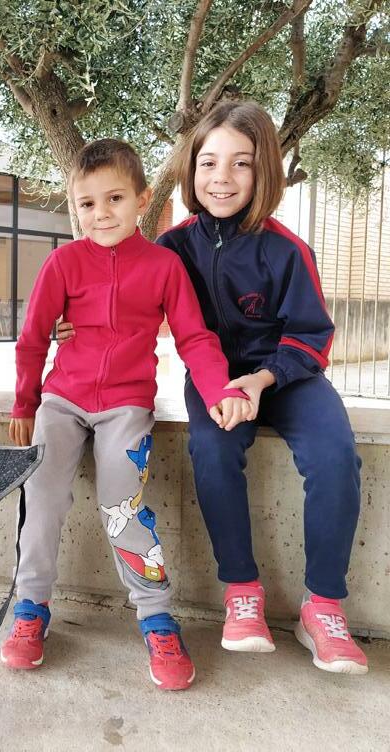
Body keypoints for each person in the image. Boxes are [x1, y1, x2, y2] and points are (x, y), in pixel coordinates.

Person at [61, 101, 368, 675]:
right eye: (208, 162)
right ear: (191, 169)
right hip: (216, 380)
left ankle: (323, 606)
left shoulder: (287, 249)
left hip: (288, 378)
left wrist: (264, 378)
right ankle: (242, 591)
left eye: (240, 163)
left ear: (263, 171)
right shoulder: (174, 246)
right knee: (212, 448)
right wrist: (75, 322)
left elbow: (313, 336)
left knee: (335, 457)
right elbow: (127, 295)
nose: (221, 177)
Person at [2, 138, 251, 690]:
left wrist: (218, 390)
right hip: (61, 401)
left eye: (114, 198)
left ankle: (156, 616)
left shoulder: (164, 266)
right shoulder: (63, 262)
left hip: (126, 405)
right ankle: (31, 607)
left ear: (142, 199)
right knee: (41, 496)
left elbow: (195, 337)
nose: (101, 213)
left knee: (124, 505)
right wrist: (25, 402)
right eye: (87, 203)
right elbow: (33, 337)